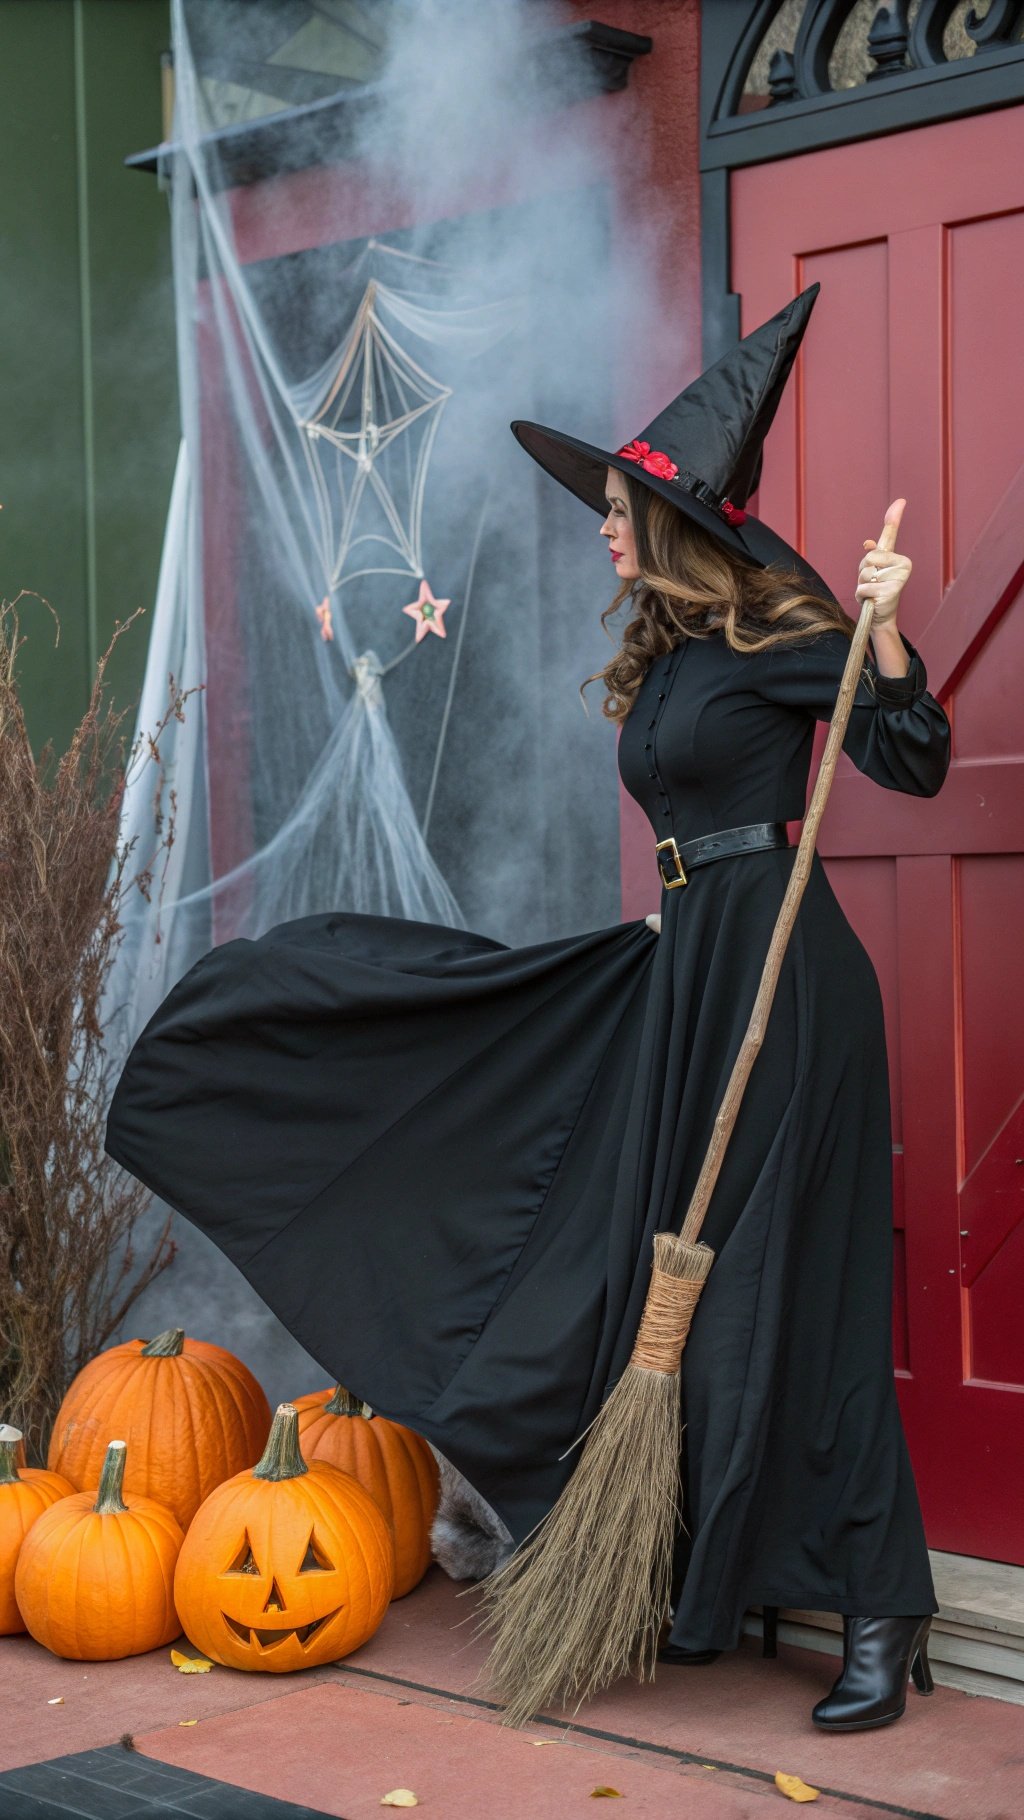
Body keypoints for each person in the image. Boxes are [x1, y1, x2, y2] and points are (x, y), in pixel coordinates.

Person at [105, 285, 950, 1733]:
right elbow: (690, 824)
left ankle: (884, 1609)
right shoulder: (672, 656)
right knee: (660, 1284)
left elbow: (913, 759)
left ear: (676, 519)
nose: (602, 529)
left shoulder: (777, 631)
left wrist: (879, 638)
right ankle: (706, 1580)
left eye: (617, 509)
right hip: (690, 976)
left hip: (788, 990)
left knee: (793, 1286)